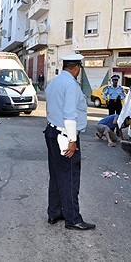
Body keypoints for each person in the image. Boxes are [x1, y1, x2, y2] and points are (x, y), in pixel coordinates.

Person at [44, 53, 95, 230]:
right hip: (66, 135)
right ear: (76, 68)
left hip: (52, 131)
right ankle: (73, 219)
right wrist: (72, 140)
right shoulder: (71, 85)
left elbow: (52, 107)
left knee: (57, 175)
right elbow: (70, 114)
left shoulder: (54, 82)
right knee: (70, 177)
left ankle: (55, 212)